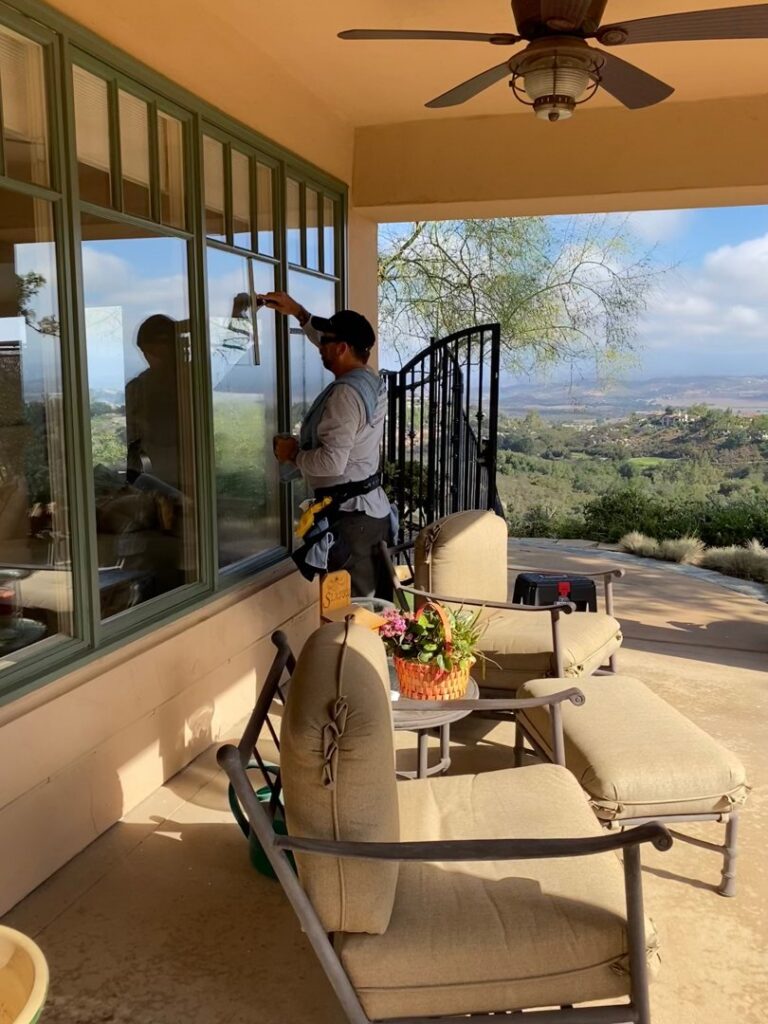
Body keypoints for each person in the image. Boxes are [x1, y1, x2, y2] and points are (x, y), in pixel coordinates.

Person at [262, 291, 393, 599]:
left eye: (325, 343)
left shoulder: (345, 396)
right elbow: (327, 337)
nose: (320, 347)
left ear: (343, 348)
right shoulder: (369, 379)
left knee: (352, 614)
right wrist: (299, 313)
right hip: (367, 512)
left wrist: (292, 454)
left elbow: (331, 463)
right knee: (369, 608)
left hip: (352, 522)